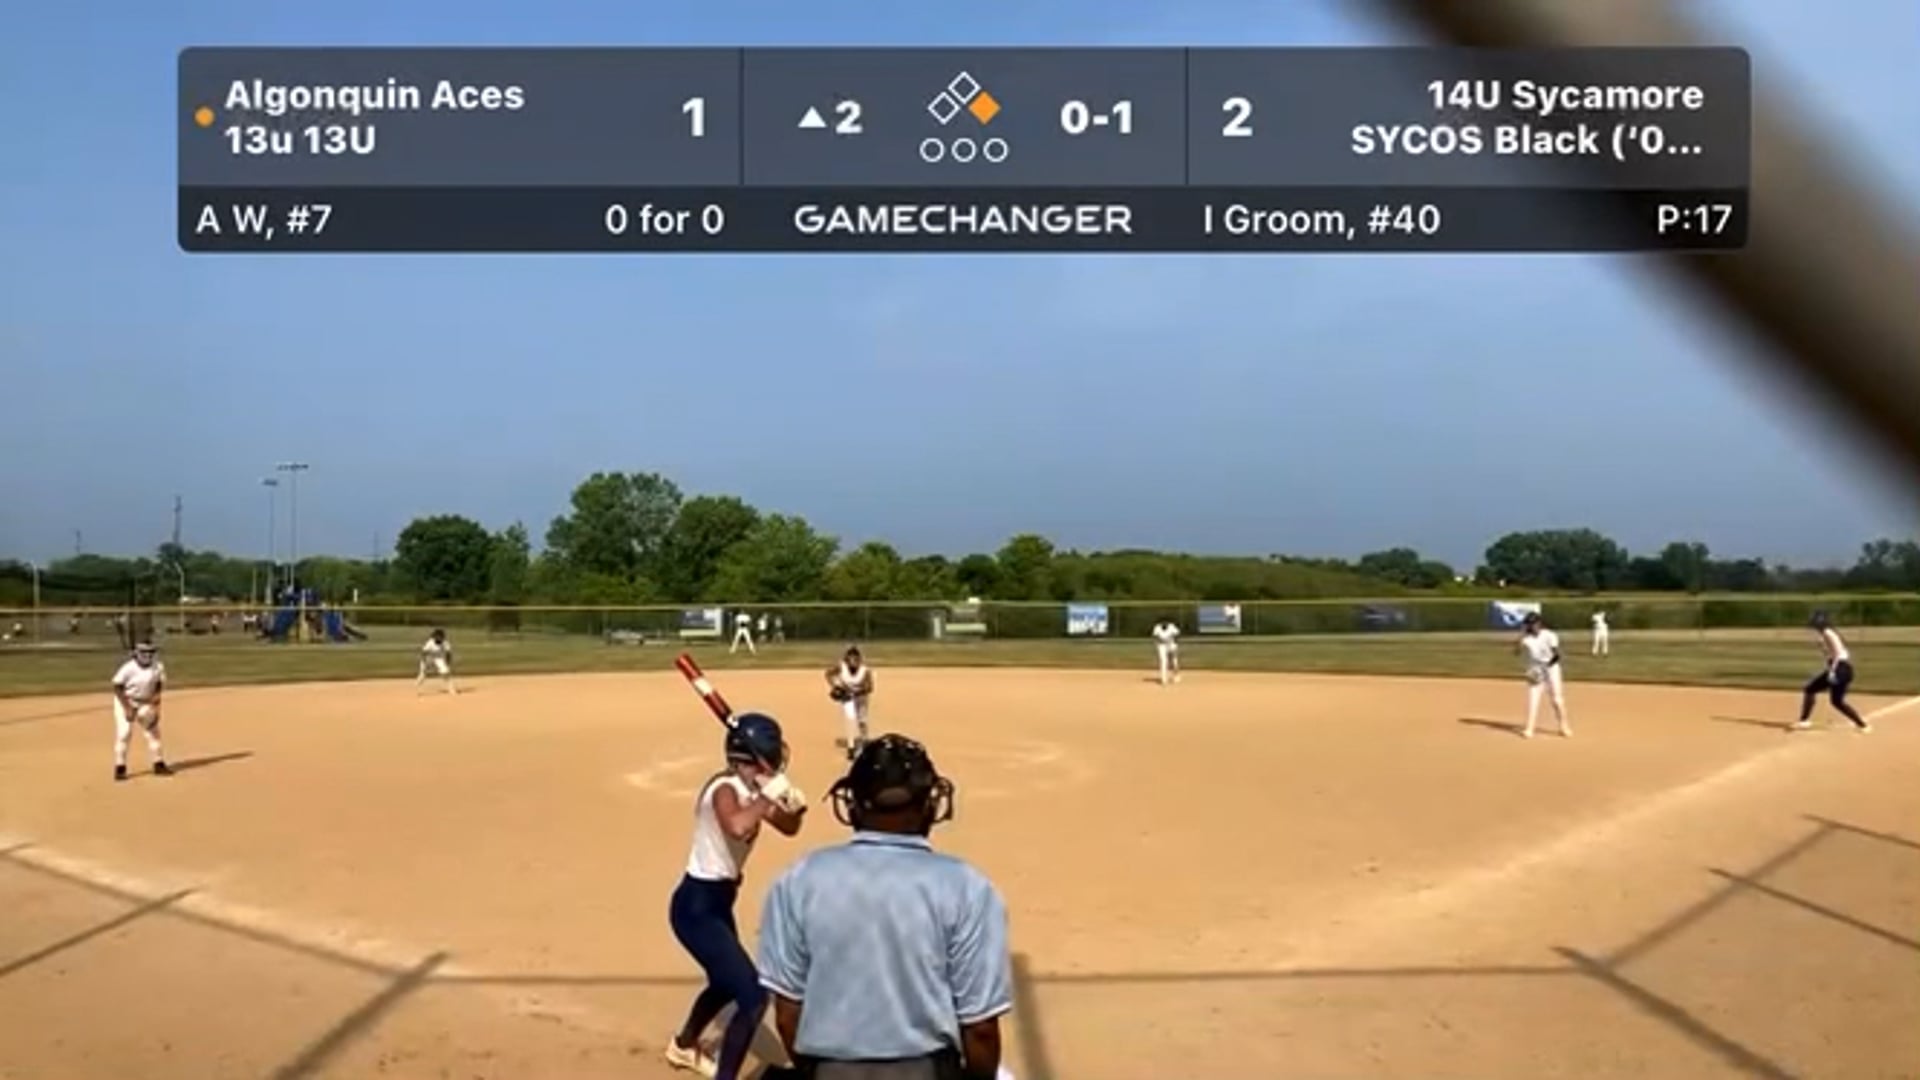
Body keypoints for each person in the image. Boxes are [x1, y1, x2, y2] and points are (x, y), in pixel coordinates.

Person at [757, 734, 1014, 1080]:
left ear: (853, 806)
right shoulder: (967, 887)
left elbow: (788, 1016)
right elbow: (980, 1029)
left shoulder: (798, 879)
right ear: (930, 805)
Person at [665, 712, 808, 1079]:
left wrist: (793, 805)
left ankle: (684, 1046)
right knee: (754, 997)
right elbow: (737, 825)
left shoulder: (753, 791)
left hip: (718, 904)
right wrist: (767, 797)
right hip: (695, 907)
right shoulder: (724, 789)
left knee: (724, 982)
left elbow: (788, 827)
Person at [1795, 611, 1871, 733]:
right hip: (1843, 669)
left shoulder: (1828, 633)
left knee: (1810, 689)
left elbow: (1838, 653)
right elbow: (1834, 655)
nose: (1815, 625)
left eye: (1816, 623)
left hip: (1840, 669)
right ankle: (1862, 725)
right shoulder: (1826, 634)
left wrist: (1832, 671)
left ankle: (1804, 721)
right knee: (1837, 701)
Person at [111, 641, 171, 780]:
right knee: (124, 733)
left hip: (145, 702)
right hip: (126, 700)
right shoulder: (128, 668)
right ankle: (120, 767)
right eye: (143, 652)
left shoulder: (158, 666)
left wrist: (156, 707)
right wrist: (127, 708)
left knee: (153, 733)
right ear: (136, 653)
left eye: (150, 651)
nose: (147, 655)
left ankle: (158, 764)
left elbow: (158, 684)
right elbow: (117, 686)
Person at [1514, 611, 1570, 739]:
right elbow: (1516, 652)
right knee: (1533, 700)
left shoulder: (1550, 635)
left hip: (1552, 668)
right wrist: (1521, 635)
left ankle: (1563, 725)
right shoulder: (1527, 639)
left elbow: (1557, 655)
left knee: (1556, 700)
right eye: (1528, 624)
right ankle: (1529, 728)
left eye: (1533, 623)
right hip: (1535, 669)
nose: (1531, 626)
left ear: (1539, 623)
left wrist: (1546, 667)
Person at [825, 646, 875, 761]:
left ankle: (864, 742)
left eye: (855, 658)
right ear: (847, 659)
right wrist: (835, 686)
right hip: (847, 698)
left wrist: (857, 692)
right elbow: (828, 674)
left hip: (861, 698)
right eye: (850, 658)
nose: (853, 661)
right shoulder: (841, 667)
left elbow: (870, 687)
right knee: (850, 719)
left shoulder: (865, 671)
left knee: (862, 721)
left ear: (859, 659)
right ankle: (851, 747)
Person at [416, 628, 457, 695]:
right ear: (434, 636)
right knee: (423, 674)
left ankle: (451, 688)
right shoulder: (430, 642)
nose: (439, 638)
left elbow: (448, 653)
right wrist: (424, 663)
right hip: (429, 658)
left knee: (445, 672)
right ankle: (417, 689)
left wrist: (448, 664)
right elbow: (424, 653)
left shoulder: (445, 643)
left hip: (439, 659)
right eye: (437, 636)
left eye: (440, 636)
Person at [1150, 617, 1181, 686]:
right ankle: (1164, 679)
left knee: (1174, 661)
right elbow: (1155, 637)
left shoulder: (1172, 627)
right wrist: (1159, 641)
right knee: (1163, 661)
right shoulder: (1157, 628)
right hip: (1162, 646)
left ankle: (1176, 675)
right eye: (1163, 623)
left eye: (1166, 623)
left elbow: (1177, 635)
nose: (1164, 624)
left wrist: (1175, 644)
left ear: (1168, 623)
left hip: (1171, 644)